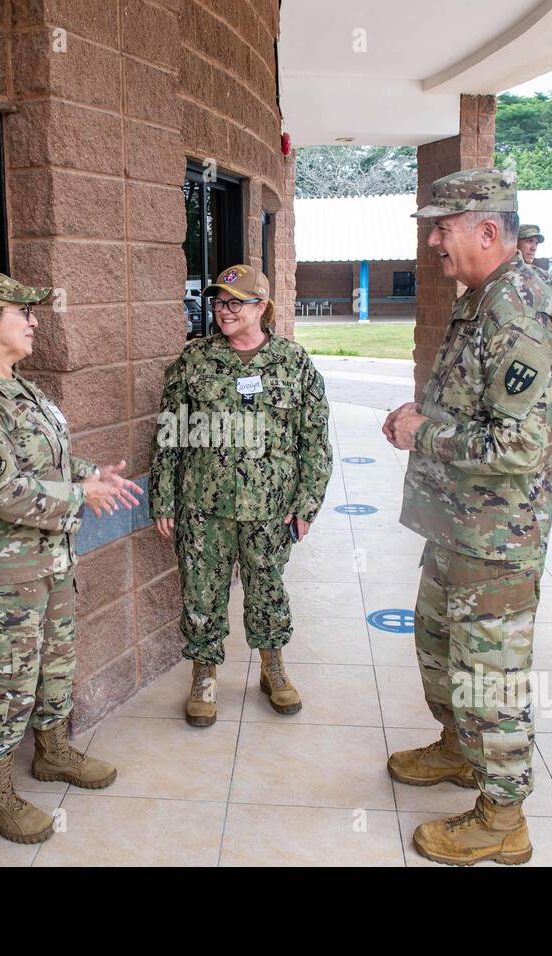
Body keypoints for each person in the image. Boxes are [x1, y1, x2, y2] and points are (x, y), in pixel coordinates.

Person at [384, 168, 552, 866]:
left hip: (497, 540)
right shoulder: (481, 298)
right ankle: (462, 750)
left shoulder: (520, 310)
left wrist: (421, 435)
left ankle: (503, 817)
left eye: (443, 226)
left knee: (490, 676)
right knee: (439, 647)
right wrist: (417, 417)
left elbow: (519, 445)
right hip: (455, 525)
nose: (433, 239)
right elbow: (472, 407)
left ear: (489, 230)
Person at [0, 270, 138, 845]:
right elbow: (3, 492)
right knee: (6, 681)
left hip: (48, 562)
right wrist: (81, 496)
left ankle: (52, 751)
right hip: (1, 575)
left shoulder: (20, 389)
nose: (33, 320)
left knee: (56, 665)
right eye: (21, 312)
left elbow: (41, 465)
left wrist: (86, 475)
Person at [150, 264, 331, 727]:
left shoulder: (293, 362)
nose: (223, 311)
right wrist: (164, 499)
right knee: (201, 591)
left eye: (234, 302)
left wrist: (307, 503)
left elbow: (314, 438)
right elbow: (170, 433)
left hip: (271, 508)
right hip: (202, 506)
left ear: (261, 307)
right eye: (218, 301)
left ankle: (273, 667)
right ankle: (205, 674)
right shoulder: (194, 360)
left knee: (267, 586)